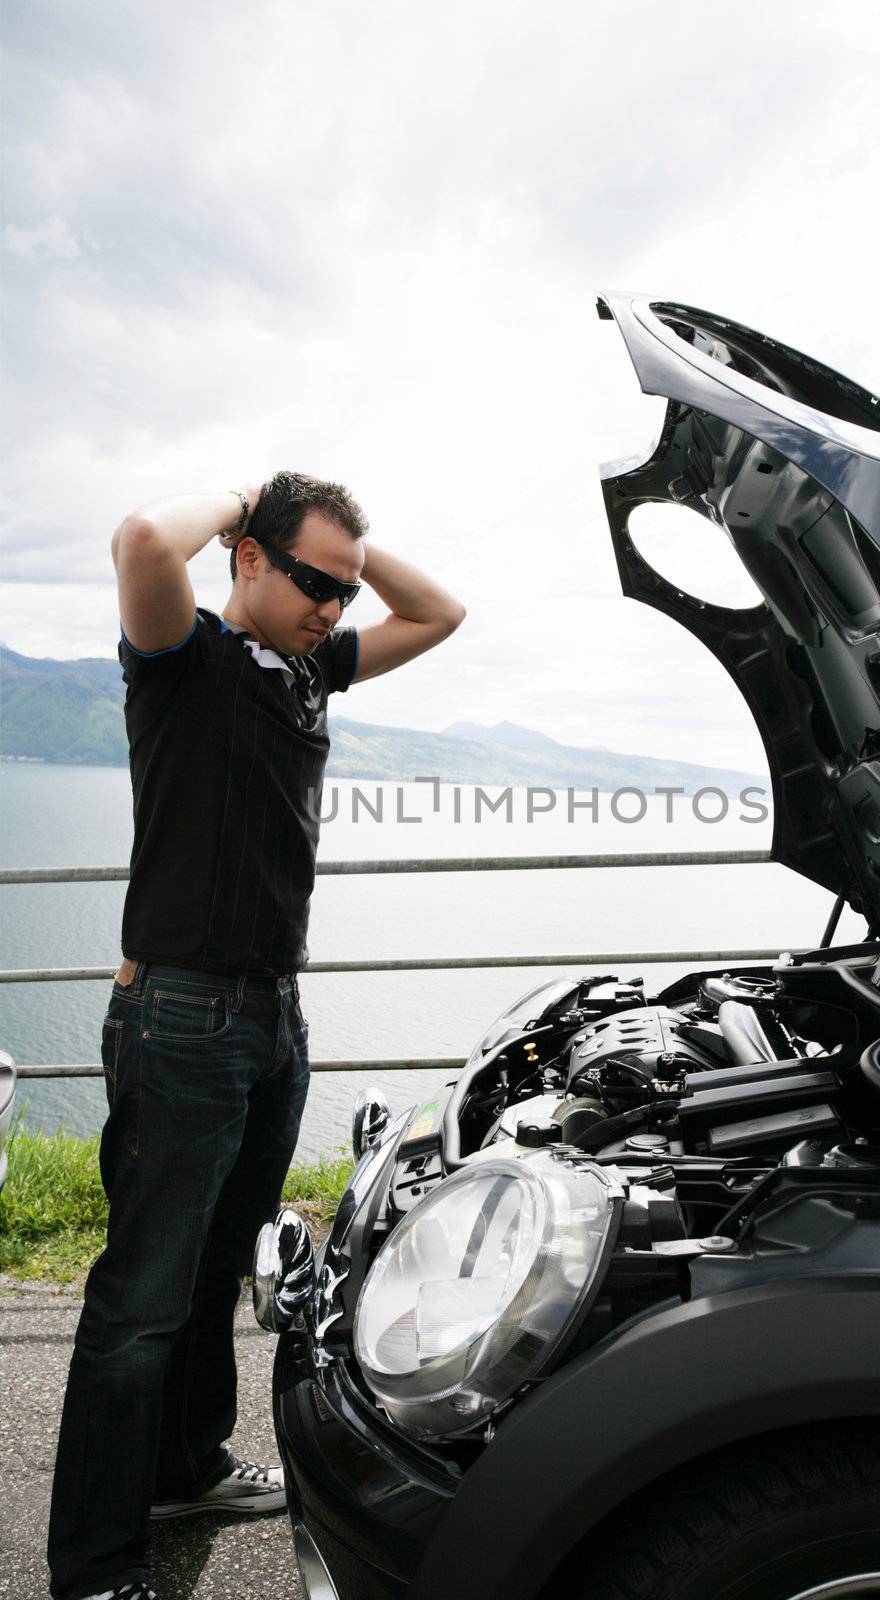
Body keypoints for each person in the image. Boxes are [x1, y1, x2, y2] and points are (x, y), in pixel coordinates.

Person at [47, 472, 466, 1600]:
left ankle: (183, 1469)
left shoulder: (310, 672)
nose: (334, 605)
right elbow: (140, 537)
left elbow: (439, 615)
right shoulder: (183, 658)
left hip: (273, 1019)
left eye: (342, 586)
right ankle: (92, 1567)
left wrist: (345, 564)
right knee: (139, 1300)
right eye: (311, 581)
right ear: (243, 558)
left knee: (219, 1269)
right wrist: (237, 497)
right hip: (181, 1018)